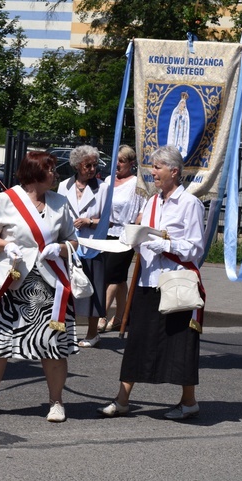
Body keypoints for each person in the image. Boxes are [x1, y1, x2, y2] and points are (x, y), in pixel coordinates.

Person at [97, 145, 205, 420]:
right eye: (152, 167)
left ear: (174, 171)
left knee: (180, 342)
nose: (152, 172)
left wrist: (165, 244)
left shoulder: (189, 203)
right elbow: (143, 237)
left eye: (157, 167)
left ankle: (189, 401)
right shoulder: (152, 201)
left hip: (174, 282)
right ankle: (122, 400)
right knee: (138, 341)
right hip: (146, 281)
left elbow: (195, 248)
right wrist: (133, 240)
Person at [0, 151, 78, 422]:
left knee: (52, 345)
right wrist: (6, 244)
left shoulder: (60, 203)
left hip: (50, 283)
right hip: (11, 279)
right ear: (34, 173)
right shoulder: (4, 200)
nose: (55, 174)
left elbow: (73, 241)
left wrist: (61, 248)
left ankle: (56, 402)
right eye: (50, 169)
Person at [57, 145, 106, 348]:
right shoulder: (63, 186)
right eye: (88, 165)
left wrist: (90, 222)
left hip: (92, 246)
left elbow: (109, 220)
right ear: (77, 165)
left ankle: (93, 333)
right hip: (69, 245)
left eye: (95, 165)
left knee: (93, 290)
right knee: (67, 289)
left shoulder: (103, 188)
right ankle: (66, 330)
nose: (92, 169)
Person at [97, 145, 145, 333]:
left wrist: (137, 224)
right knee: (118, 276)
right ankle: (122, 316)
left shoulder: (136, 183)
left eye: (122, 161)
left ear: (131, 164)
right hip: (106, 232)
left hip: (126, 234)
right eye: (116, 160)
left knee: (111, 275)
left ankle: (101, 314)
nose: (117, 164)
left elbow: (142, 206)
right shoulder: (109, 180)